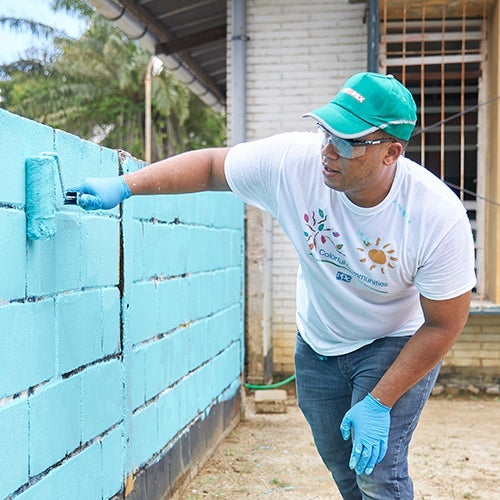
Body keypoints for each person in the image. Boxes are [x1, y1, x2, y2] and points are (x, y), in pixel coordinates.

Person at [70, 72, 476, 499]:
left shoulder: (435, 217)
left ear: (391, 152)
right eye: (326, 132)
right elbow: (211, 167)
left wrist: (379, 401)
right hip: (318, 342)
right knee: (343, 468)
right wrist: (125, 186)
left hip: (393, 340)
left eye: (346, 142)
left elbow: (443, 324)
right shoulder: (294, 163)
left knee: (378, 474)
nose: (327, 151)